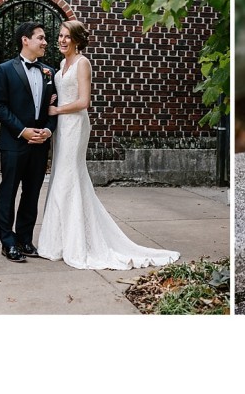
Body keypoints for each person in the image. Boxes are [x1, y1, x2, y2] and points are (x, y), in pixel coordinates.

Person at [37, 20, 180, 270]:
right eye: (59, 36)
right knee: (61, 176)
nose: (61, 40)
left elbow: (84, 102)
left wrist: (57, 109)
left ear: (78, 40)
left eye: (67, 37)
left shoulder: (83, 63)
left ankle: (78, 242)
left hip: (75, 125)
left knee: (69, 176)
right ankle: (58, 241)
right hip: (62, 127)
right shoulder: (61, 64)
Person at [0, 21, 58, 262]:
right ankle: (7, 242)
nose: (45, 42)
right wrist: (23, 131)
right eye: (40, 38)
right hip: (14, 143)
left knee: (32, 193)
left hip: (40, 144)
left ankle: (25, 240)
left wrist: (47, 131)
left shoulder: (50, 72)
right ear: (25, 40)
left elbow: (54, 108)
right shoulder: (5, 69)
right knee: (8, 192)